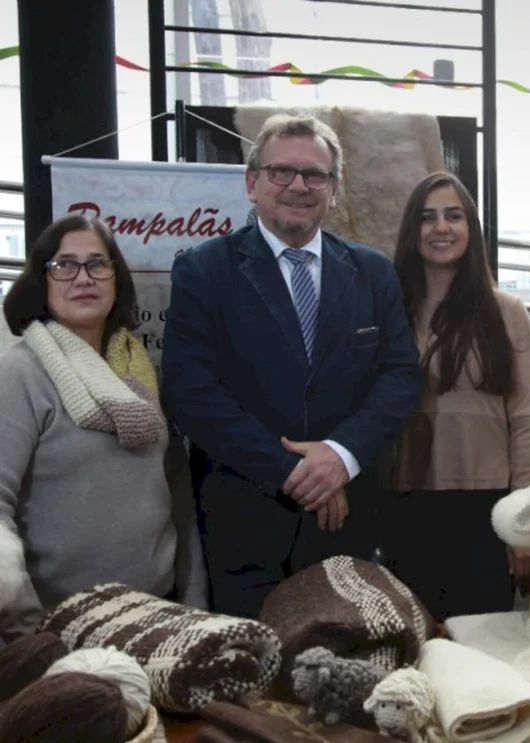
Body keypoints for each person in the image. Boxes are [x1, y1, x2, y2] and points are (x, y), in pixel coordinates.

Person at [162, 113, 422, 619]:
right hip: (245, 524)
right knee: (250, 663)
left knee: (349, 656)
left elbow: (400, 377)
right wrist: (298, 474)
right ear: (252, 182)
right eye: (282, 171)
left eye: (315, 175)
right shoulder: (204, 269)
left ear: (334, 190)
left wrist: (341, 458)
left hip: (347, 523)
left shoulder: (372, 273)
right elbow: (191, 392)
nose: (299, 186)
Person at [0, 215, 206, 641]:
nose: (83, 277)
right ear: (42, 280)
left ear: (117, 280)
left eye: (97, 263)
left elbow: (178, 492)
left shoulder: (141, 372)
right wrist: (23, 633)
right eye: (64, 265)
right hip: (57, 627)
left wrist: (194, 597)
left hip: (158, 614)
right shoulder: (19, 372)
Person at [387, 172, 530, 619]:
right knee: (413, 640)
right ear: (412, 230)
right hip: (404, 499)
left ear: (471, 228)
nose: (441, 228)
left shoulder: (507, 312)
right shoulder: (388, 308)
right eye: (427, 217)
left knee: (483, 639)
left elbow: (527, 420)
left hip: (488, 505)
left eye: (453, 216)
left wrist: (523, 520)